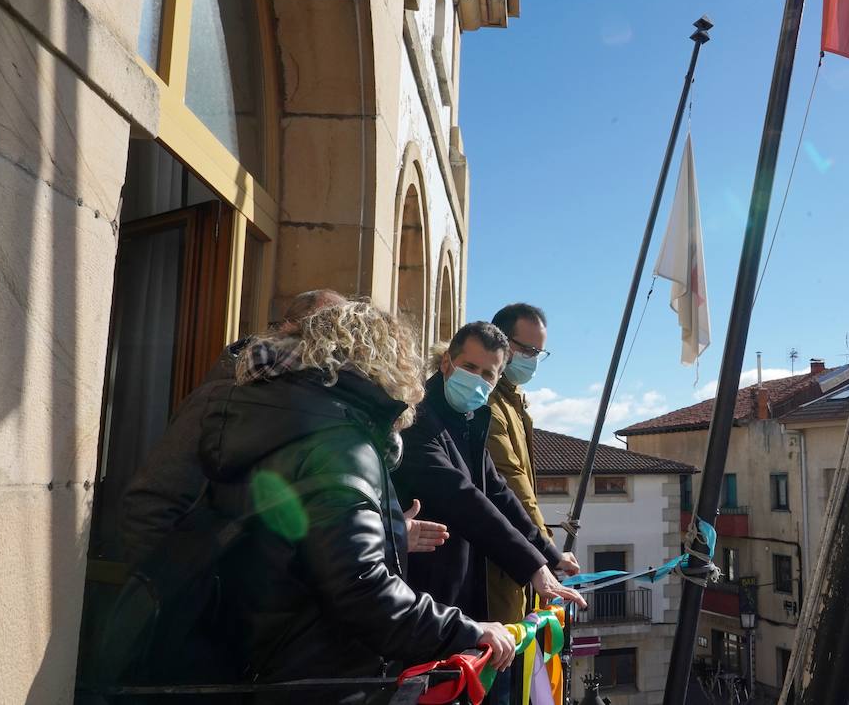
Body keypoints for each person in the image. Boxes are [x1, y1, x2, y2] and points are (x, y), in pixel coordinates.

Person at [197, 301, 515, 700]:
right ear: (382, 363)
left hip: (256, 660)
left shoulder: (282, 419)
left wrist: (389, 531)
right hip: (315, 675)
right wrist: (466, 629)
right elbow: (361, 587)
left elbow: (307, 543)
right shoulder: (342, 444)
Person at [119, 289, 346, 564]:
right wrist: (177, 592)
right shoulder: (221, 399)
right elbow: (149, 507)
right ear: (293, 331)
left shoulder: (317, 410)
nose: (344, 349)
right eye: (333, 332)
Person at [394, 321, 586, 627]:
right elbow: (463, 499)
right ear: (447, 362)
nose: (477, 380)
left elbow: (498, 493)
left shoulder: (469, 419)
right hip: (421, 595)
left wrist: (548, 553)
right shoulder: (417, 419)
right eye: (469, 367)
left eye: (488, 374)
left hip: (460, 593)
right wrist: (533, 567)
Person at [483, 303, 567, 627]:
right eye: (528, 349)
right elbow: (511, 482)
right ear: (501, 343)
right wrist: (545, 547)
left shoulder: (513, 401)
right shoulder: (490, 404)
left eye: (539, 352)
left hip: (517, 564)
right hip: (498, 569)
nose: (532, 359)